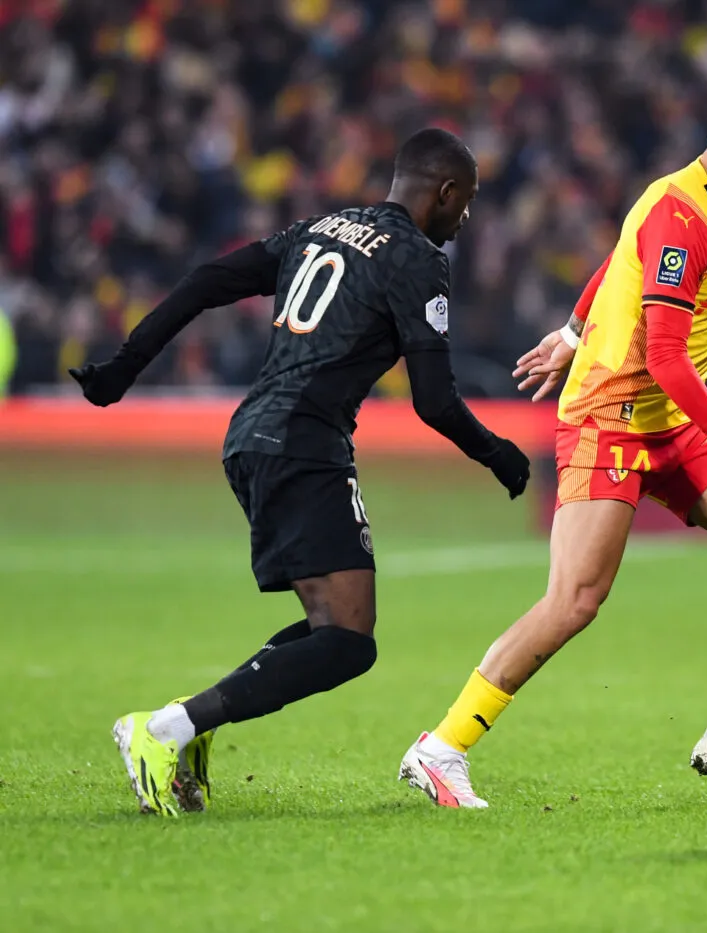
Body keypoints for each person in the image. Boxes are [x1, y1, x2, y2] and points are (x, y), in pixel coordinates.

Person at [70, 128, 531, 817]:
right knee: (347, 640)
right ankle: (165, 729)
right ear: (445, 192)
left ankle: (188, 723)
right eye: (465, 203)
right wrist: (500, 453)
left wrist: (122, 369)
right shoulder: (416, 259)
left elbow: (205, 282)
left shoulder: (322, 227)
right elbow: (434, 399)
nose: (465, 219)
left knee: (333, 629)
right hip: (303, 443)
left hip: (253, 435)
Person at [399, 76, 707, 808]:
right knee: (576, 600)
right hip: (613, 415)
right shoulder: (680, 213)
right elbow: (664, 357)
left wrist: (571, 326)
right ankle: (440, 748)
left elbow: (623, 257)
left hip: (671, 421)